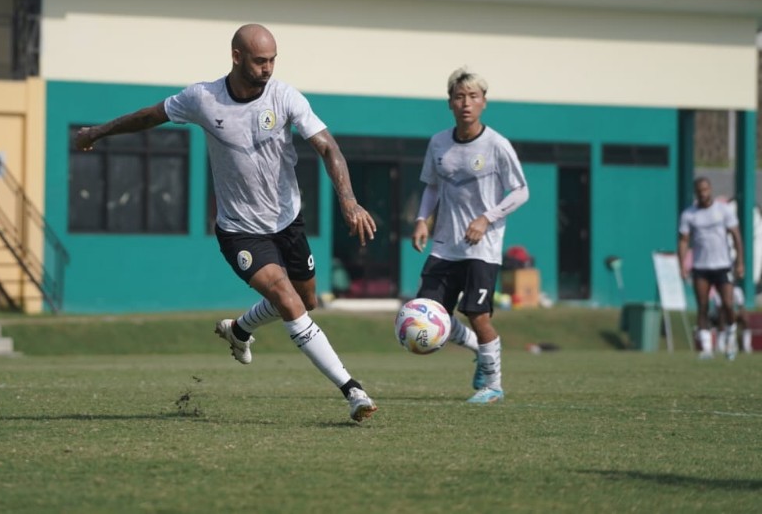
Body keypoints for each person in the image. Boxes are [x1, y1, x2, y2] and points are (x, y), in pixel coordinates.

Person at [75, 24, 379, 422]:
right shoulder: (202, 98)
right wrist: (99, 132)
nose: (268, 68)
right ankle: (352, 390)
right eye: (259, 61)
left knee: (305, 302)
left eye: (272, 60)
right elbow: (149, 116)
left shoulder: (285, 96)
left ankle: (238, 330)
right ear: (237, 57)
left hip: (287, 221)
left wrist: (349, 201)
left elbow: (327, 146)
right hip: (239, 230)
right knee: (287, 301)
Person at [410, 68, 529, 404]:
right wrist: (422, 220)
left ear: (484, 103)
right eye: (460, 96)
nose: (466, 103)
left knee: (478, 315)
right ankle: (478, 347)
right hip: (445, 246)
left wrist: (486, 219)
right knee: (430, 316)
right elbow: (432, 187)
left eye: (473, 96)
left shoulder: (497, 145)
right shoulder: (438, 143)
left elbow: (521, 191)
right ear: (450, 102)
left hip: (482, 247)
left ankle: (493, 385)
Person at [678, 177, 744, 360]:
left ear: (711, 189)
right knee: (702, 306)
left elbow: (736, 236)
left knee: (728, 305)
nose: (703, 193)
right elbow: (683, 240)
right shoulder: (689, 214)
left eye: (706, 189)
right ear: (696, 192)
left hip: (723, 265)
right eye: (700, 190)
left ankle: (731, 337)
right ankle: (707, 348)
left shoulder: (723, 210)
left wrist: (740, 262)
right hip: (701, 266)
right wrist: (682, 264)